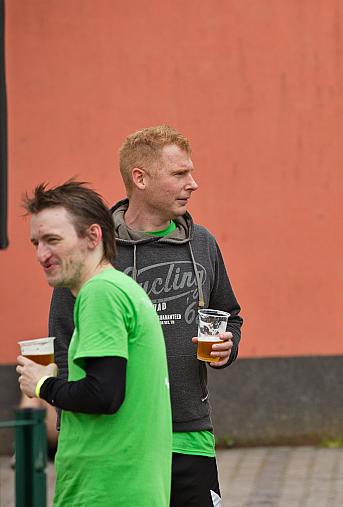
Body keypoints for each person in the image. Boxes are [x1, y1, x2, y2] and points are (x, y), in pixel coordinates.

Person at [48, 126, 243, 506]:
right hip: (118, 438)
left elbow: (228, 315)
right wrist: (76, 420)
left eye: (191, 172)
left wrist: (227, 346)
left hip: (189, 432)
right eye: (179, 174)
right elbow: (63, 341)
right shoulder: (92, 250)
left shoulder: (202, 242)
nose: (193, 184)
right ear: (140, 178)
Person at [17, 181, 172, 505]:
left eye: (53, 240)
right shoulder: (118, 287)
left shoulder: (100, 293)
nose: (41, 254)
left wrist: (42, 384)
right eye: (36, 243)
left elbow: (104, 395)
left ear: (92, 236)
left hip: (107, 491)